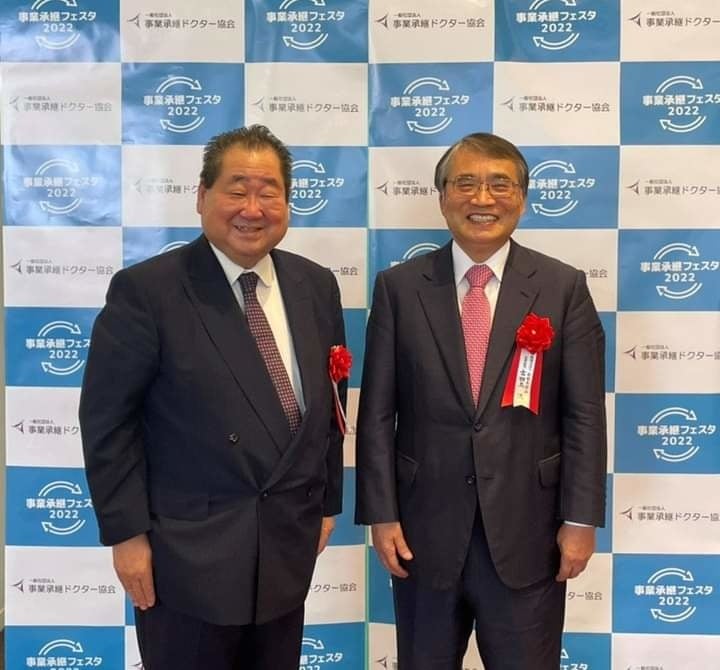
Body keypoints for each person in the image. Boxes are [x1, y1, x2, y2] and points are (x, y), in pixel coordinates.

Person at [80, 125, 346, 670]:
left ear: (288, 203)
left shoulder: (315, 285)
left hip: (285, 547)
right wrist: (126, 535)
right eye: (237, 189)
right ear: (202, 196)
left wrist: (327, 503)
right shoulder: (149, 290)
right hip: (186, 556)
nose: (253, 208)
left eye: (269, 191)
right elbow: (108, 423)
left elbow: (331, 407)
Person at [355, 132, 606, 670]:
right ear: (442, 196)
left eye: (500, 185)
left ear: (523, 197)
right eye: (465, 183)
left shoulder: (563, 287)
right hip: (422, 533)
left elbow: (584, 415)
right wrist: (381, 514)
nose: (482, 199)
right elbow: (376, 413)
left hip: (530, 533)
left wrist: (581, 519)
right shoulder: (399, 288)